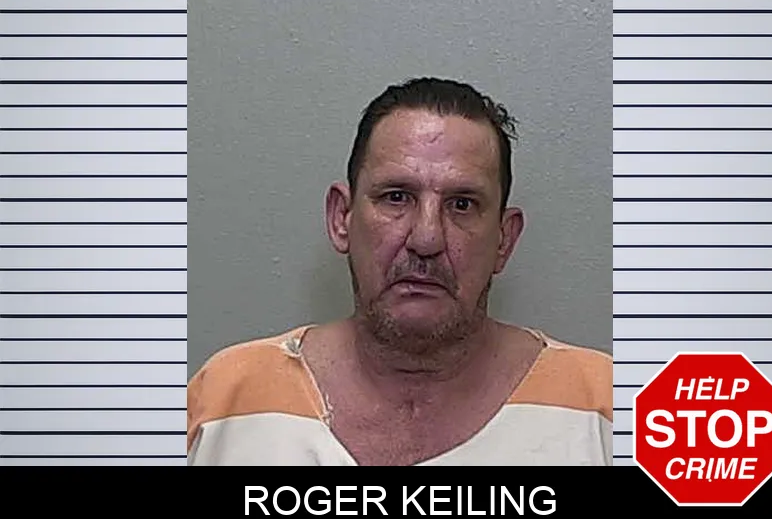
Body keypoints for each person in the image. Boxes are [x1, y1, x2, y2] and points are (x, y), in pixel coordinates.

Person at [187, 77, 612, 466]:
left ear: (504, 239)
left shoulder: (608, 411)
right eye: (396, 197)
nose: (426, 239)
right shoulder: (224, 401)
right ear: (341, 218)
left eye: (462, 204)